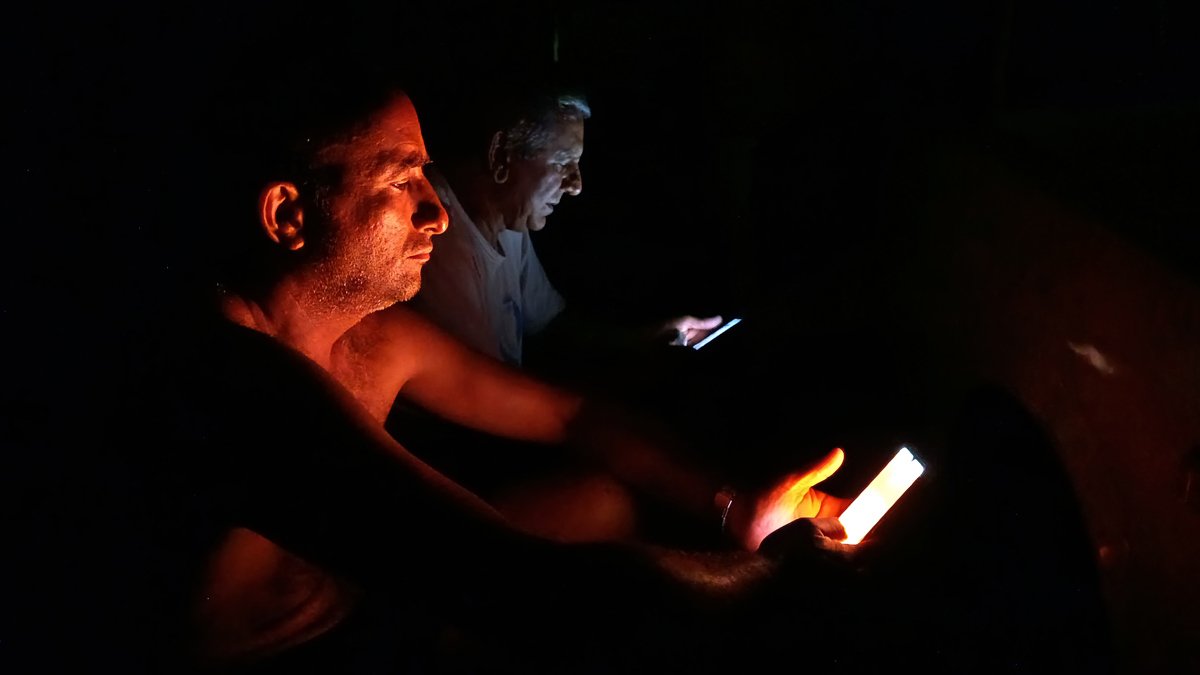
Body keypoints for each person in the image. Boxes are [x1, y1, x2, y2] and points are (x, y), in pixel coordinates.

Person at [142, 52, 859, 675]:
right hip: (298, 663)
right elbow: (518, 587)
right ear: (288, 216)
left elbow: (574, 415)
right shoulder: (232, 380)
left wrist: (735, 505)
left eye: (427, 174)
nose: (438, 213)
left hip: (366, 615)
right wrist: (763, 575)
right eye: (400, 182)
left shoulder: (378, 339)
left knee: (597, 498)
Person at [402, 80, 724, 369]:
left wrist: (645, 341)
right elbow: (476, 392)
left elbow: (550, 325)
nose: (576, 185)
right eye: (562, 163)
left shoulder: (509, 222)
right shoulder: (437, 244)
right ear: (500, 155)